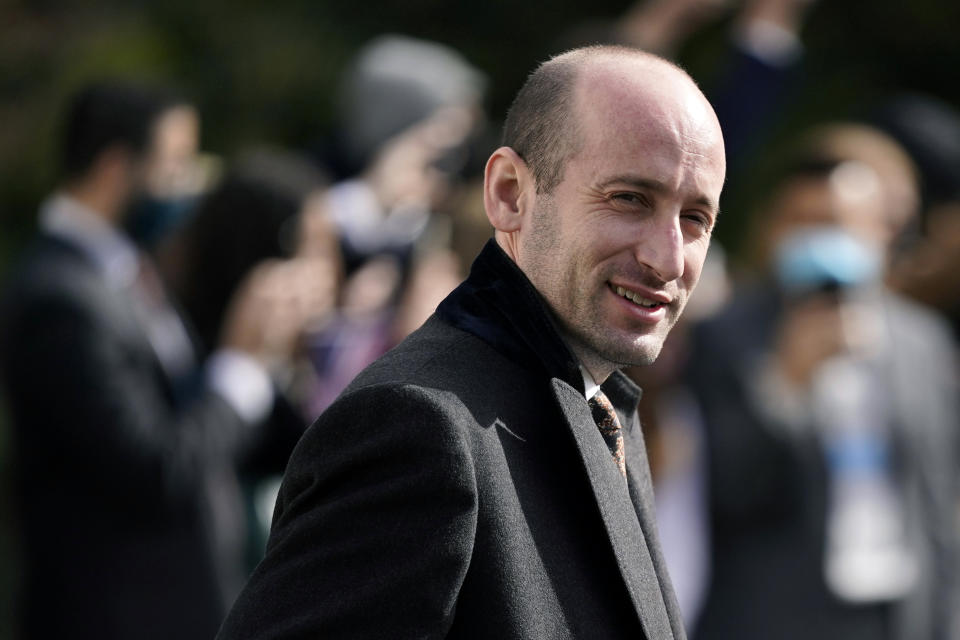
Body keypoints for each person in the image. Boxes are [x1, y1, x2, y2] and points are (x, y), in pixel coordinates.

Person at [217, 44, 726, 639]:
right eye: (629, 199)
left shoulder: (603, 403)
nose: (667, 258)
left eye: (695, 218)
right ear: (509, 193)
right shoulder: (417, 426)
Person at [0, 82, 310, 639]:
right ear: (117, 167)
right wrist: (241, 367)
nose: (188, 184)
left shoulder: (126, 271)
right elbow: (154, 468)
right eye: (175, 164)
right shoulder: (60, 297)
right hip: (113, 616)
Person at [687, 125, 959, 640]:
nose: (818, 240)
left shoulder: (922, 341)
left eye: (835, 224)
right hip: (776, 618)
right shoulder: (727, 337)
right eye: (800, 224)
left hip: (898, 613)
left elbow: (939, 504)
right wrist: (785, 384)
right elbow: (723, 493)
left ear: (883, 231)